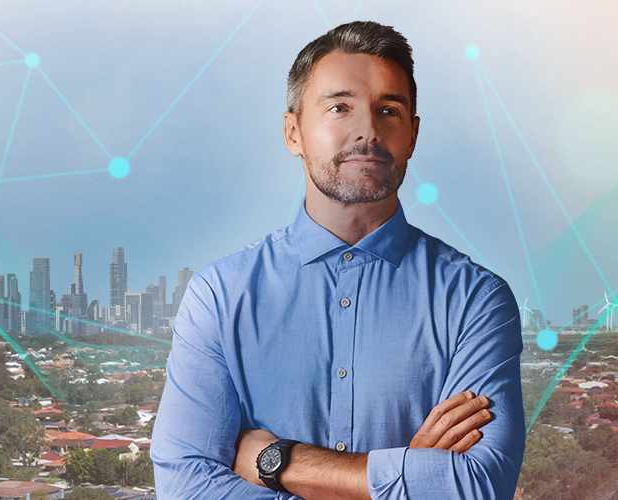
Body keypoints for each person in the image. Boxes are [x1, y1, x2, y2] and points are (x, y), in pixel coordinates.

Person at [150, 20, 524, 500]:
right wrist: (404, 477)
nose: (367, 130)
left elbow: (478, 487)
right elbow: (185, 487)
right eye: (340, 107)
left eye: (388, 110)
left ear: (411, 135)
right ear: (293, 132)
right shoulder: (220, 295)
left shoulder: (475, 301)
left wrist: (279, 461)